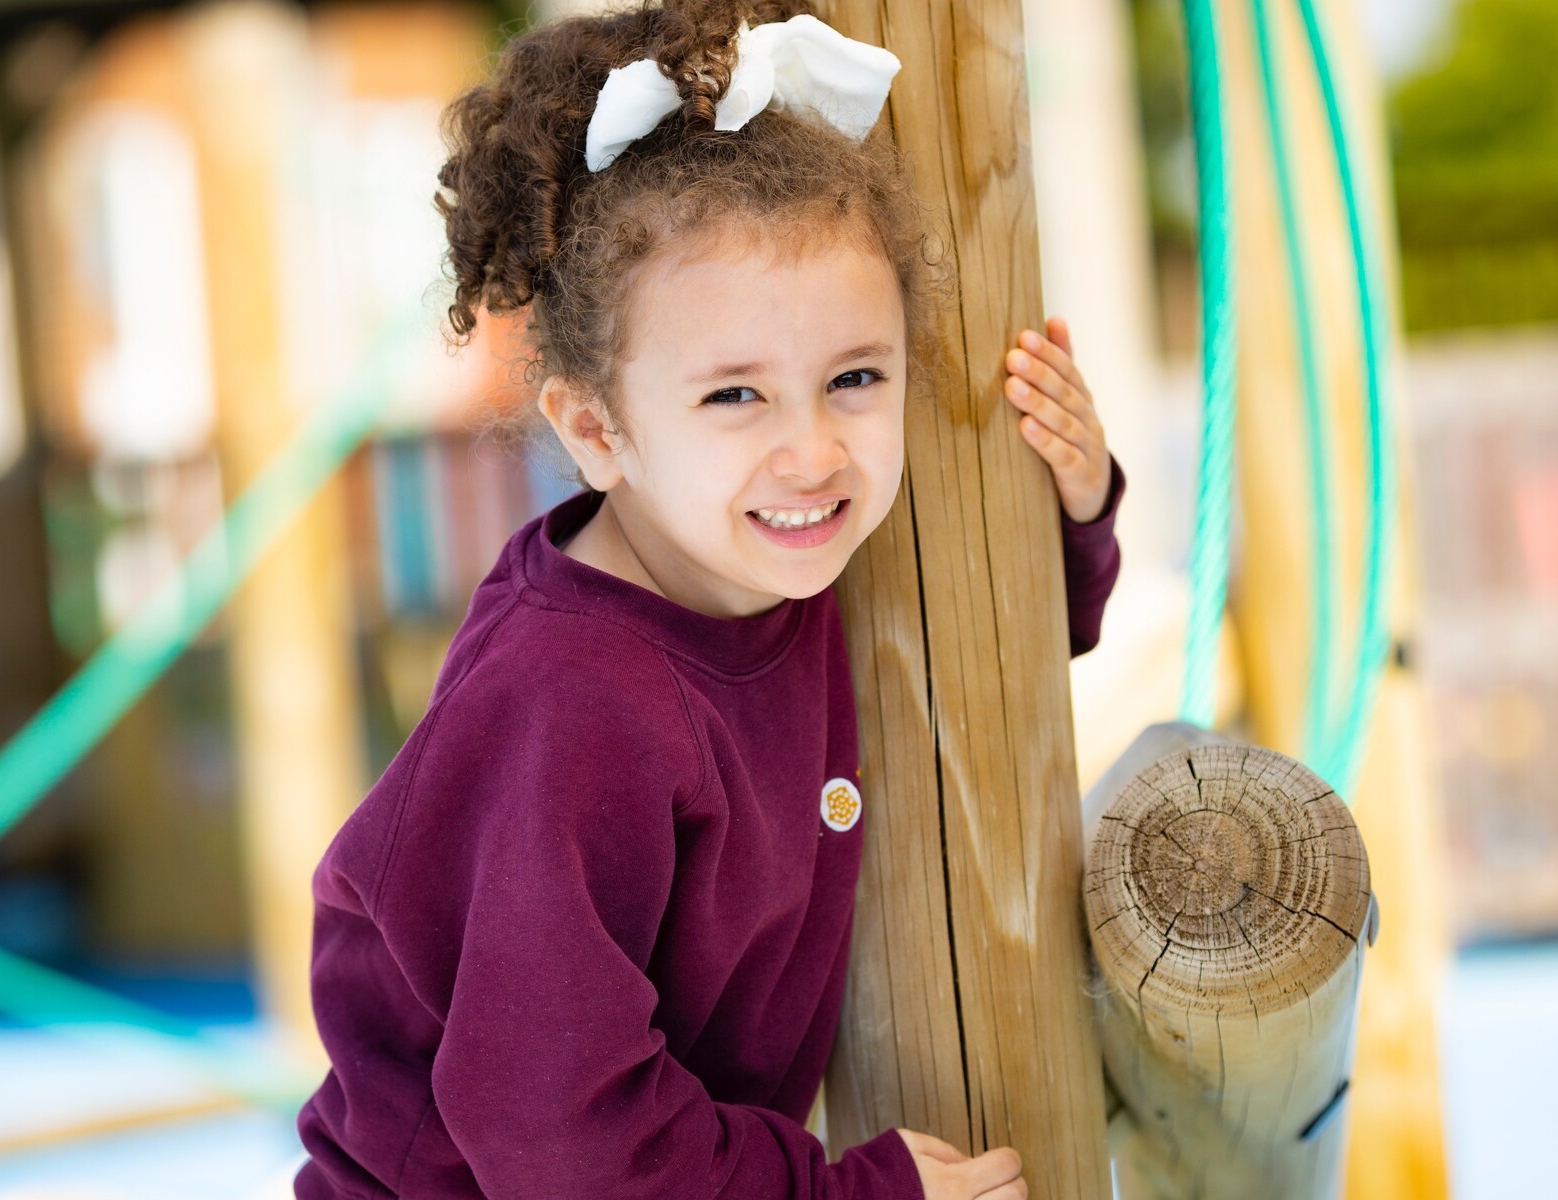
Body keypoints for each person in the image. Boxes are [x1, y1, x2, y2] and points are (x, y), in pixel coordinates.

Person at [295, 3, 1125, 1197]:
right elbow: (554, 1128)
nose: (810, 453)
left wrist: (1070, 499)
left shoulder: (750, 559)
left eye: (853, 379)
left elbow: (992, 649)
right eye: (734, 396)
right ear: (595, 428)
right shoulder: (568, 707)